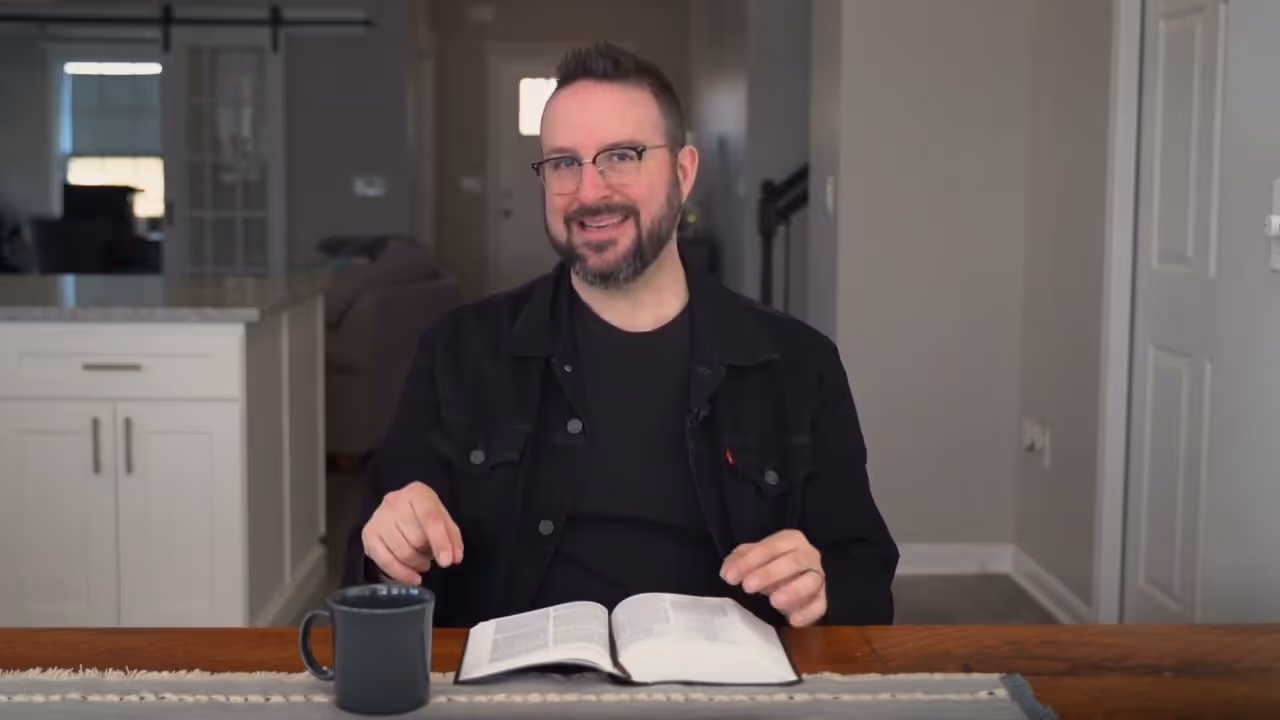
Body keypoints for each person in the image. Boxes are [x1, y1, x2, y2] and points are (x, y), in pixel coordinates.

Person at [343, 41, 898, 629]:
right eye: (563, 163)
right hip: (516, 691)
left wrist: (821, 587)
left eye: (622, 156)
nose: (589, 192)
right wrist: (388, 553)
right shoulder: (458, 353)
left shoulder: (797, 365)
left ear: (683, 173)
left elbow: (864, 578)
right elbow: (368, 568)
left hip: (724, 692)